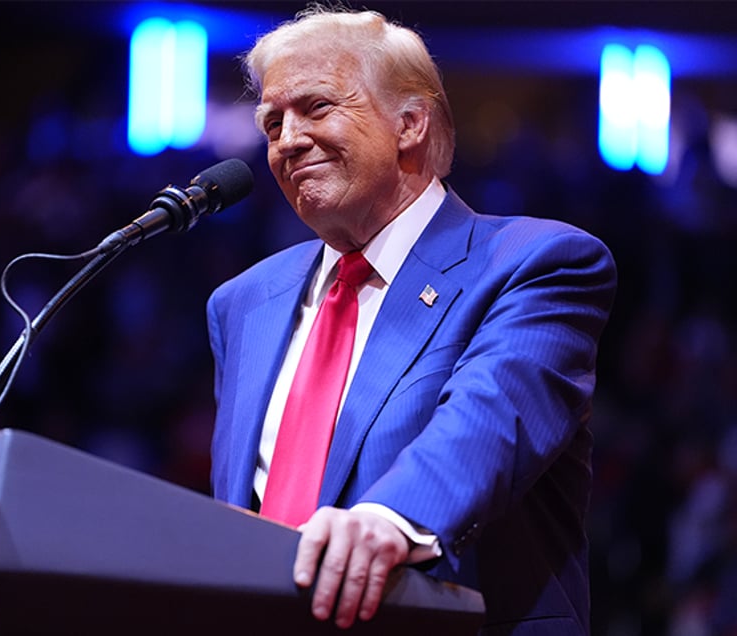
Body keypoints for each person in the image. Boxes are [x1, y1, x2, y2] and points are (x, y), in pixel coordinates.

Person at [207, 5, 617, 634]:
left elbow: (487, 420)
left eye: (316, 108)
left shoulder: (536, 264)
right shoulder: (242, 303)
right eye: (272, 121)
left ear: (410, 124)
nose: (286, 139)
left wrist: (389, 520)